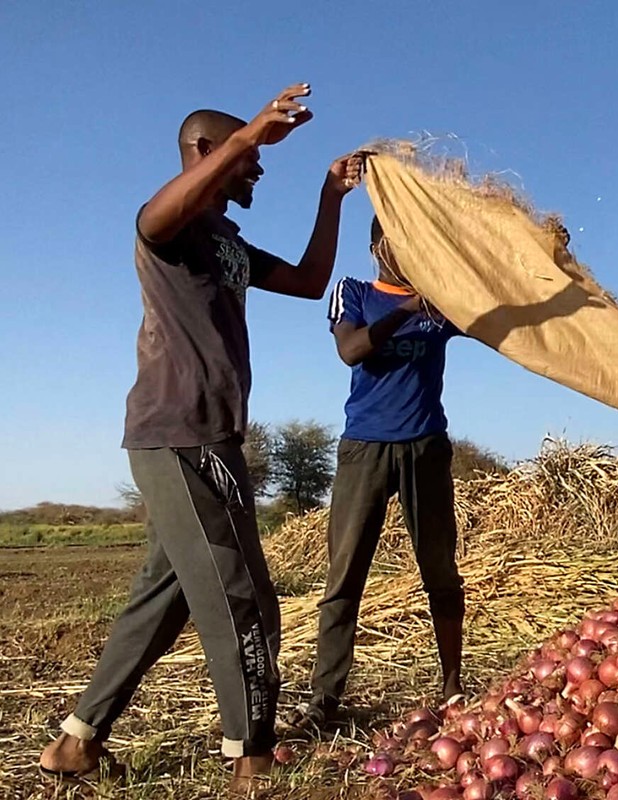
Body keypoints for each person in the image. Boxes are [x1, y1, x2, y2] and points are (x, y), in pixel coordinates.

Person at [37, 83, 364, 794]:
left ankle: (76, 741)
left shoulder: (227, 242)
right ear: (206, 153)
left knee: (172, 591)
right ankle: (249, 758)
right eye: (245, 160)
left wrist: (331, 198)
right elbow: (152, 215)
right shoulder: (170, 229)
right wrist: (251, 135)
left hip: (212, 437)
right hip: (177, 434)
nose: (257, 172)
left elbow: (311, 283)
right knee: (241, 595)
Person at [287, 215, 466, 730]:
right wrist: (411, 306)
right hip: (365, 449)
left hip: (426, 447)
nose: (408, 249)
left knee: (440, 569)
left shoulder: (444, 303)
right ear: (377, 246)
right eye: (398, 239)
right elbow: (352, 349)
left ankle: (452, 684)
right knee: (345, 575)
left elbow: (503, 319)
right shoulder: (355, 291)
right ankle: (325, 699)